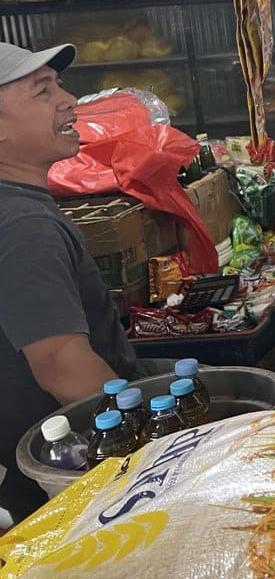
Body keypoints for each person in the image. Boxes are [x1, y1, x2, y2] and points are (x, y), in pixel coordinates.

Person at [0, 43, 158, 523]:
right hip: (57, 479)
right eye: (42, 91)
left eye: (59, 85)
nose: (69, 101)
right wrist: (150, 456)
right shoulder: (23, 226)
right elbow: (62, 366)